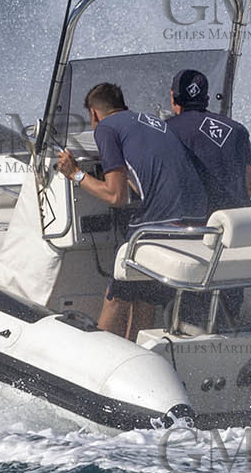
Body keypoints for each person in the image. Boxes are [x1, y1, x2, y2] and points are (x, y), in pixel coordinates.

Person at [57, 82, 207, 339]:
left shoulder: (106, 128)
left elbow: (116, 196)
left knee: (118, 292)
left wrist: (76, 174)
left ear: (94, 114)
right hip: (198, 218)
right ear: (122, 105)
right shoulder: (151, 121)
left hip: (163, 221)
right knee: (144, 293)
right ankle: (138, 349)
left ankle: (101, 354)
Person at [166, 69, 251, 214]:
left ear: (172, 97)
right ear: (207, 98)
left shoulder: (165, 131)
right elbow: (249, 188)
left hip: (193, 227)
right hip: (238, 225)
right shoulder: (238, 130)